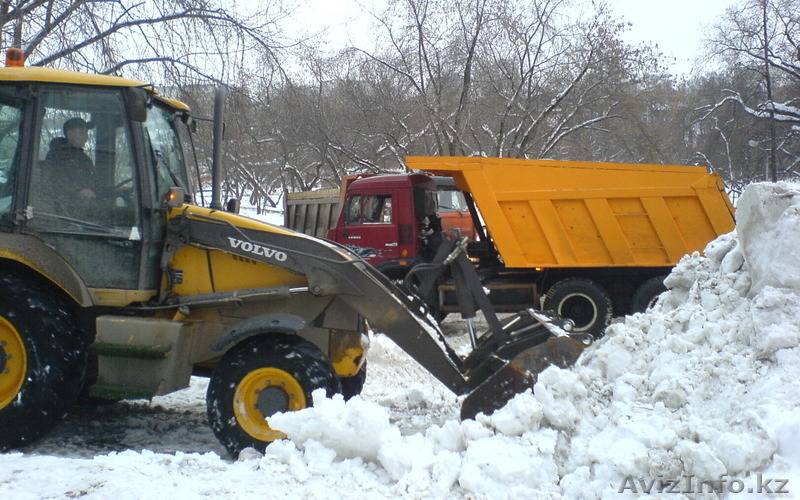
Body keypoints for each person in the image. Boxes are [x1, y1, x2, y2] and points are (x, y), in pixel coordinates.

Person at [46, 117, 100, 201]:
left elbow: (93, 184)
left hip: (85, 207)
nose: (86, 137)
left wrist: (113, 190)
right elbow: (55, 183)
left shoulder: (84, 159)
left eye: (86, 133)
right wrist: (77, 191)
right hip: (63, 208)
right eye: (82, 133)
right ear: (70, 133)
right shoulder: (56, 155)